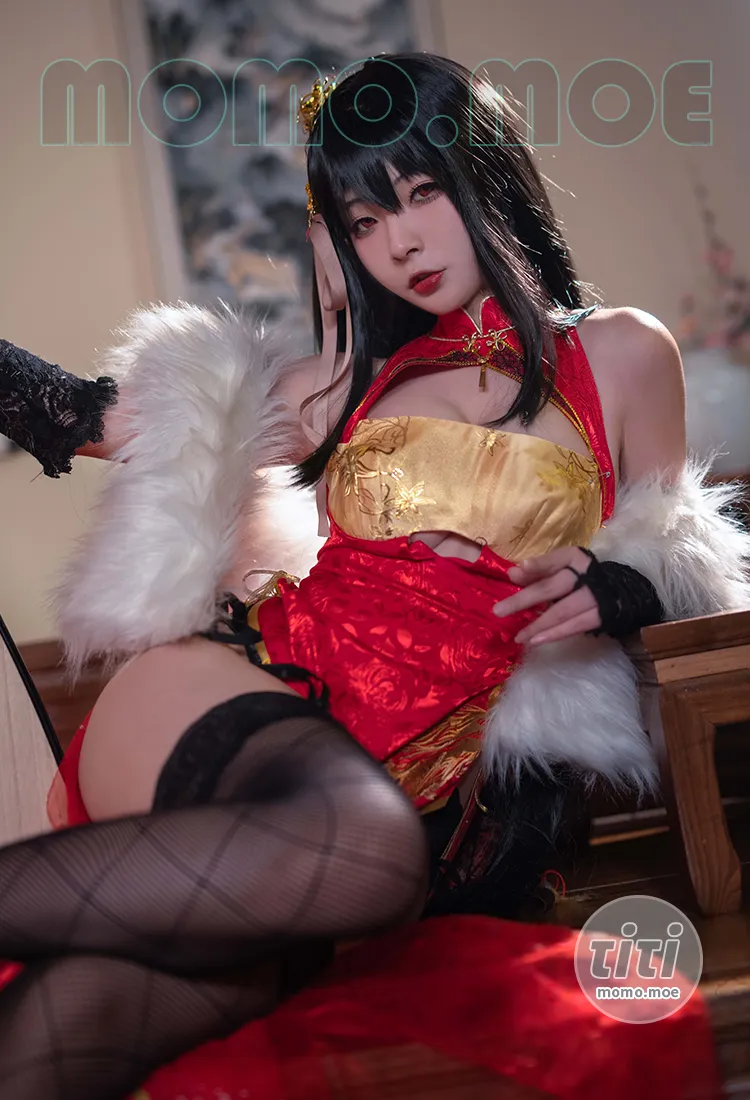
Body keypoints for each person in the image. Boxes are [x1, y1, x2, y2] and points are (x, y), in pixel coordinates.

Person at [0, 51, 744, 1100]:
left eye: (421, 193)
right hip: (238, 697)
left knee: (92, 1011)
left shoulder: (622, 353)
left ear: (486, 172)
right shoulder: (341, 385)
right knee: (366, 848)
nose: (399, 242)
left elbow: (683, 554)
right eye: (362, 220)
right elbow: (84, 416)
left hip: (424, 808)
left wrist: (629, 583)